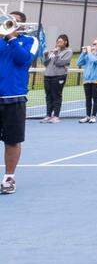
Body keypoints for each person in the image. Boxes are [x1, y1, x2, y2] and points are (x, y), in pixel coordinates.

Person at [1, 11, 39, 195]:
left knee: (12, 140)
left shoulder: (30, 41)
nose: (9, 23)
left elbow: (24, 60)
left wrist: (11, 38)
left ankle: (9, 178)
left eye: (14, 21)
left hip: (14, 98)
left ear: (22, 24)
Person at [41, 34, 73, 123]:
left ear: (65, 42)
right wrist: (46, 55)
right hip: (48, 75)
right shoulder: (54, 51)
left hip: (59, 76)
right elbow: (45, 64)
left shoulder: (68, 52)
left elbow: (59, 63)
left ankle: (56, 116)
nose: (58, 43)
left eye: (60, 41)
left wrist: (56, 54)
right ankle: (48, 115)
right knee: (48, 96)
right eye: (57, 41)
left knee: (56, 95)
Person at [76, 38, 97, 123]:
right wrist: (83, 53)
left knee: (95, 98)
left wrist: (89, 52)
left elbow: (94, 60)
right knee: (88, 98)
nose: (96, 45)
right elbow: (78, 63)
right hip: (87, 80)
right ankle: (87, 116)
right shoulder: (88, 54)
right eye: (94, 44)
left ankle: (94, 116)